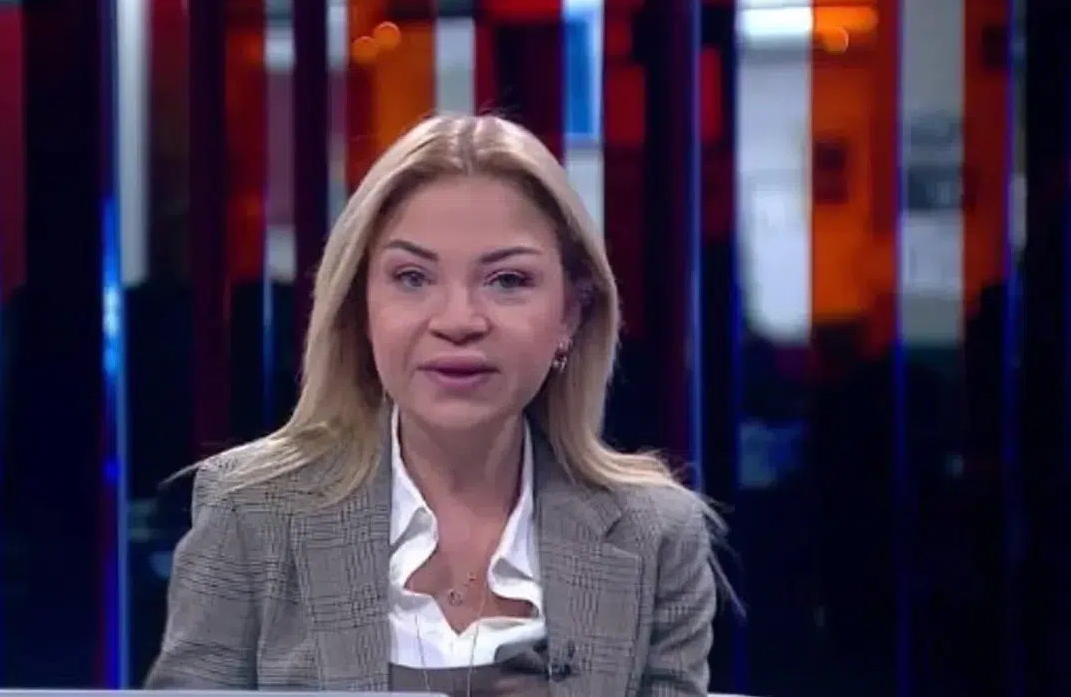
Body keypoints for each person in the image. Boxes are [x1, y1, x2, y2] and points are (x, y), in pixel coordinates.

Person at [145, 114, 721, 696]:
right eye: (413, 277)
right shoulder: (251, 513)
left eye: (507, 280)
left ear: (571, 313)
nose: (458, 321)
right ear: (360, 306)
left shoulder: (655, 536)